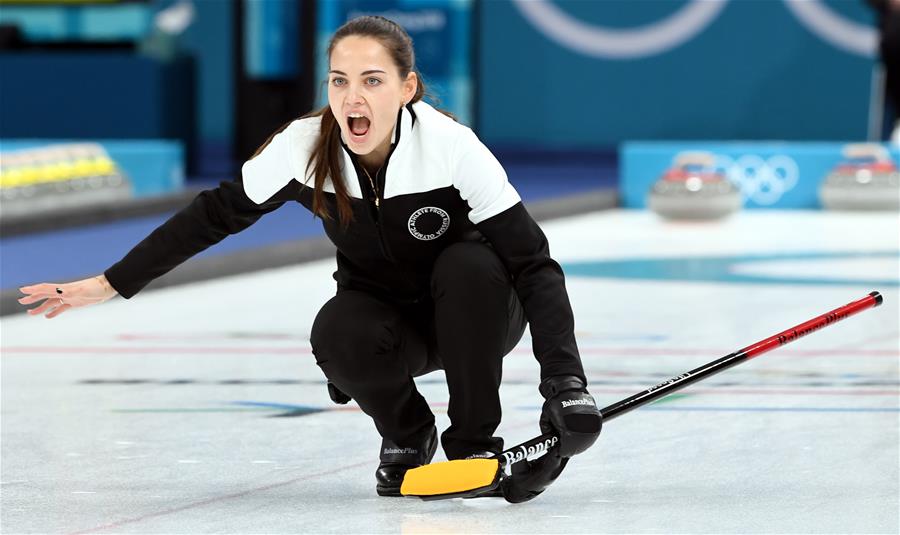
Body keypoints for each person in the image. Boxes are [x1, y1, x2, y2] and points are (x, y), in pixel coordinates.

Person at [18, 15, 602, 498]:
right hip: (391, 327)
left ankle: (473, 441)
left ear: (408, 88)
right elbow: (216, 214)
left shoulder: (451, 147)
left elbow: (533, 264)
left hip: (479, 316)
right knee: (337, 328)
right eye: (339, 81)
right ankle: (406, 433)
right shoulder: (302, 147)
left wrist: (565, 384)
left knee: (470, 265)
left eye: (373, 81)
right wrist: (113, 282)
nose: (353, 97)